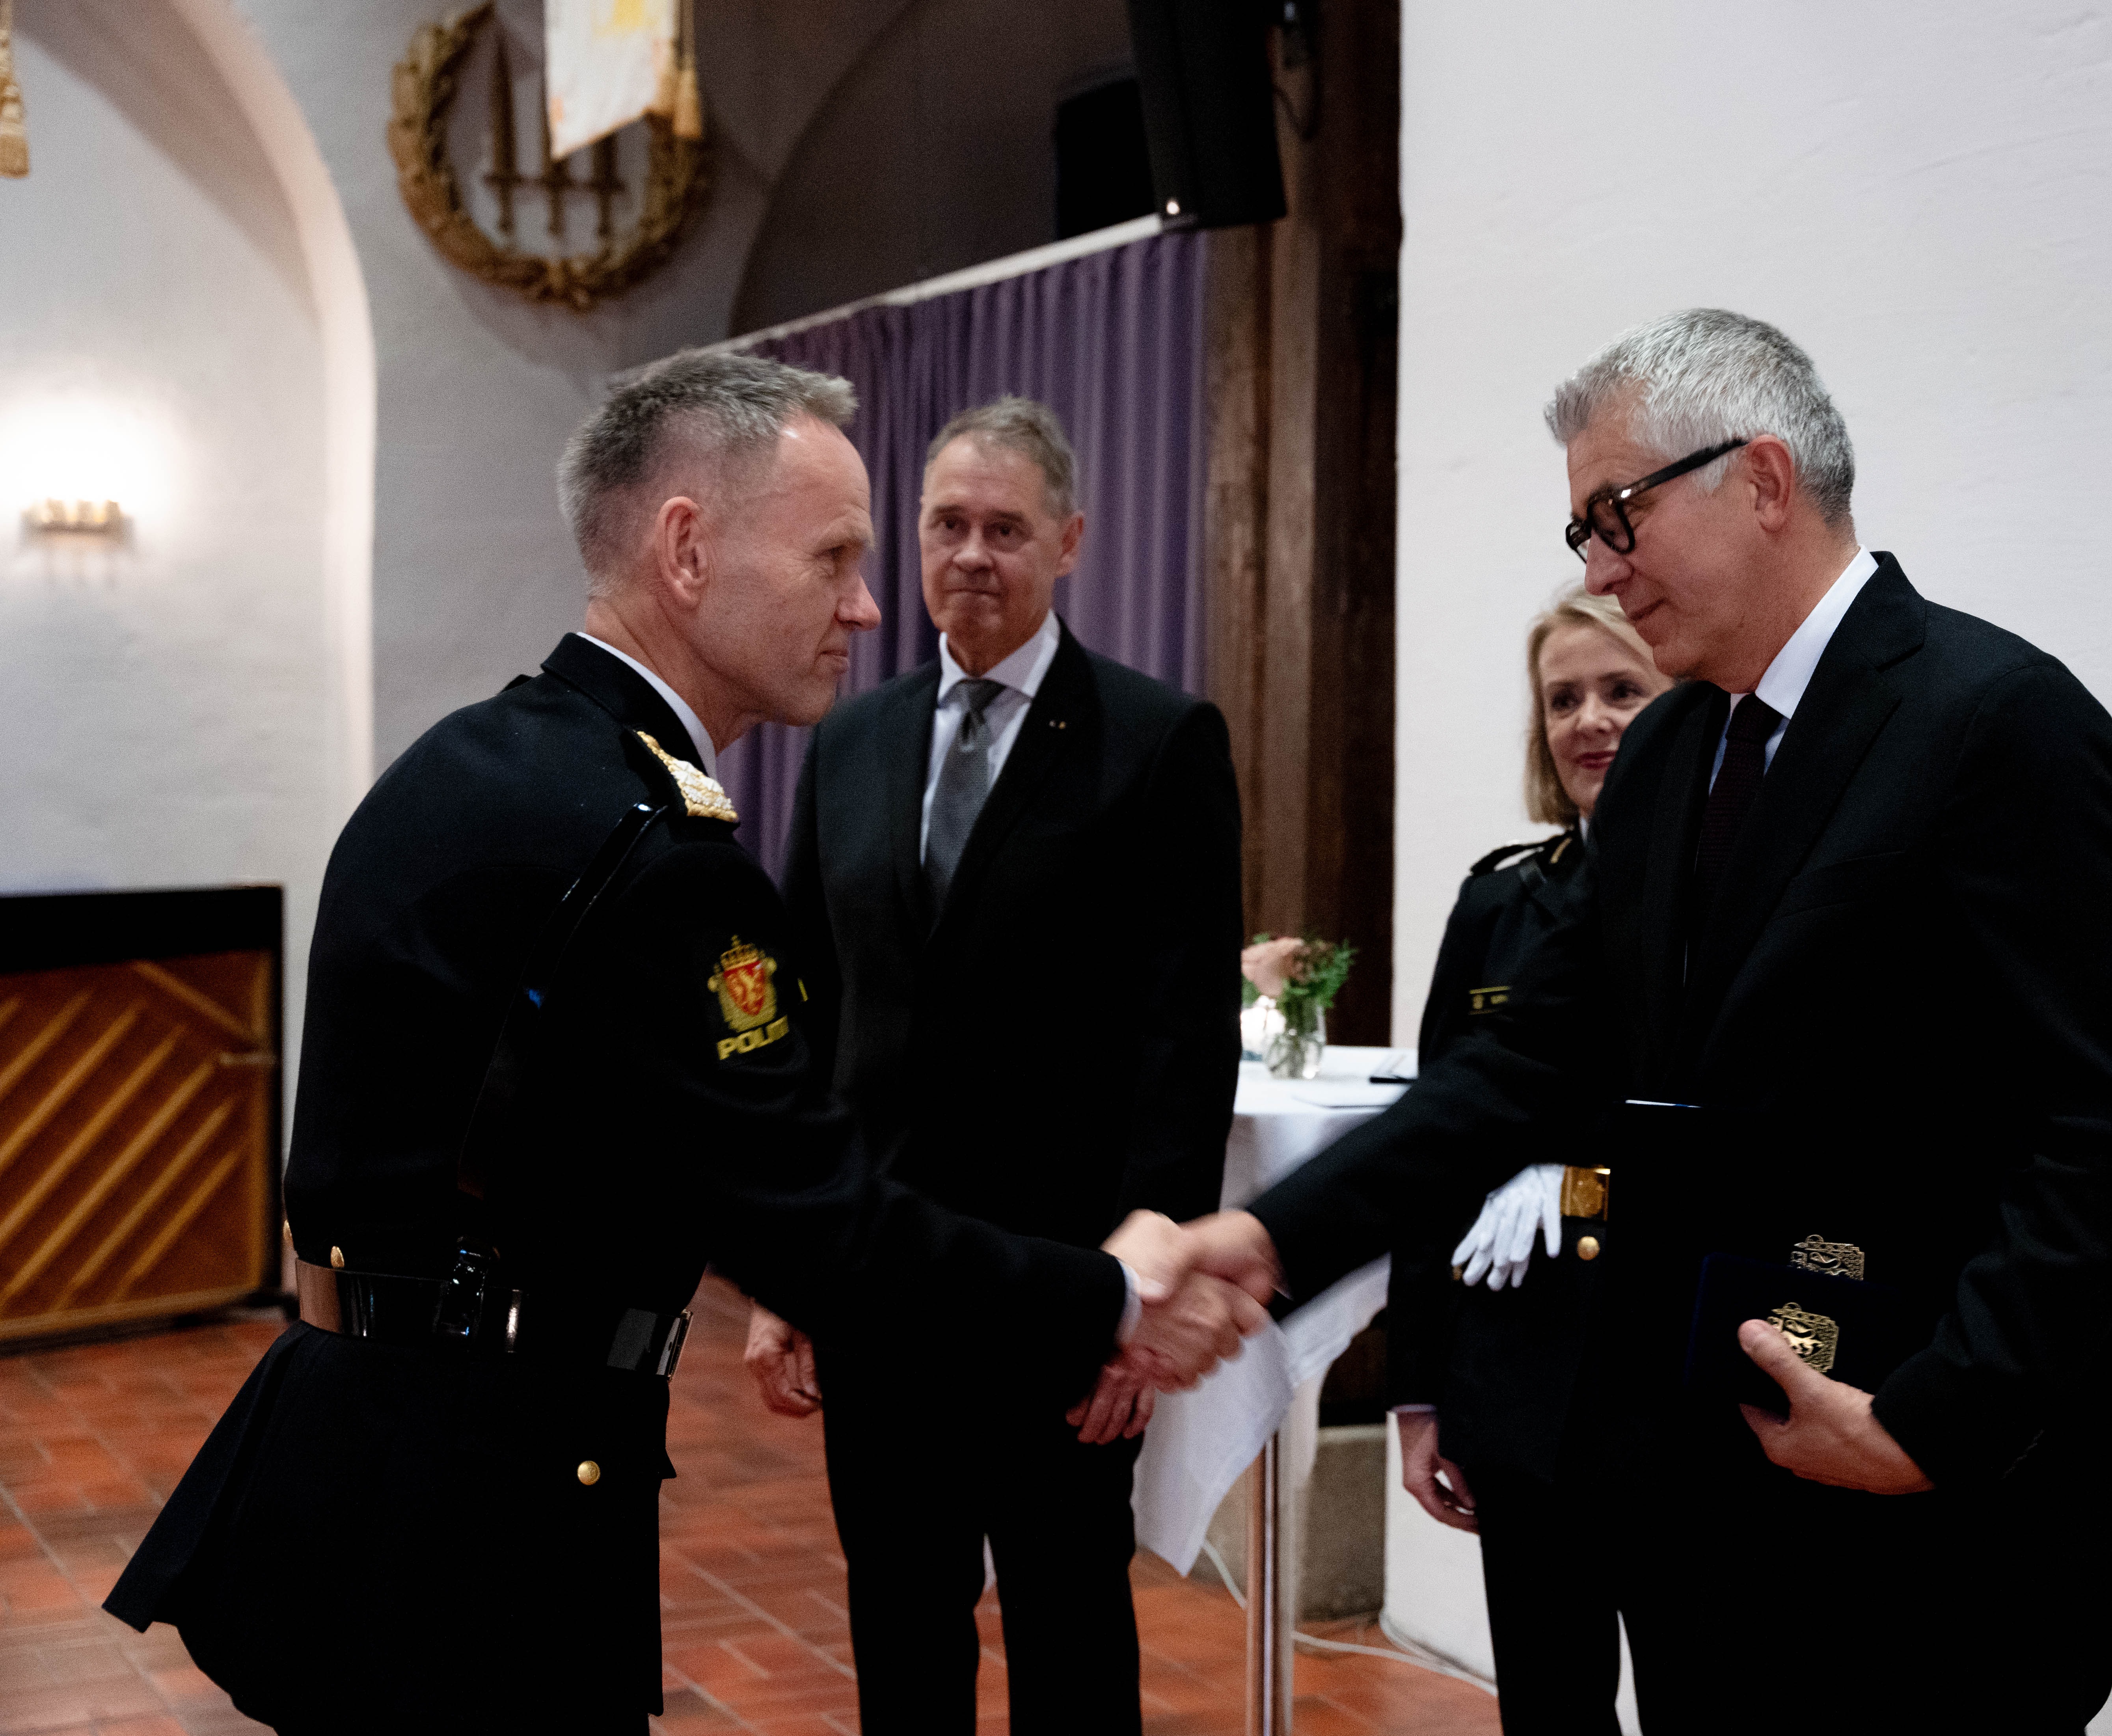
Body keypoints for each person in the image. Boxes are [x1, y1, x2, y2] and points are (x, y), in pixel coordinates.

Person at [101, 354, 1263, 1736]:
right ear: (690, 550)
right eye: (833, 553)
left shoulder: (478, 763)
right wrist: (1112, 1298)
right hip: (488, 1480)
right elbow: (815, 1214)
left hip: (369, 1433)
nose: (868, 601)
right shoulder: (649, 849)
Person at [1179, 309, 2112, 1732]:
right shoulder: (1673, 752)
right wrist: (1275, 1235)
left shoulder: (2000, 722)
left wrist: (1927, 1426)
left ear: (1762, 479)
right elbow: (1533, 1063)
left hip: (1942, 1513)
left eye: (1617, 515)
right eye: (1581, 531)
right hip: (1711, 1486)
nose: (1597, 565)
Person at [739, 395, 1241, 1734]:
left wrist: (1145, 1301)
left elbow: (1186, 1042)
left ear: (1068, 540)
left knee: (1071, 1628)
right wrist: (791, 1271)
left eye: (1006, 528)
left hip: (1065, 1289)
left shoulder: (1156, 739)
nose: (973, 553)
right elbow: (807, 1004)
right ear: (913, 538)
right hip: (881, 1280)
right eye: (948, 524)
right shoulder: (848, 736)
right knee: (901, 1622)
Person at [1386, 586, 1667, 1734]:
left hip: (1670, 1380)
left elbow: (1760, 1140)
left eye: (1621, 690)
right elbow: (1433, 1150)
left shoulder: (1735, 896)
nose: (1590, 720)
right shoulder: (1501, 901)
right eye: (1564, 698)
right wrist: (1416, 1392)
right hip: (1521, 1373)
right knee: (1548, 1704)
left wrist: (1585, 1181)